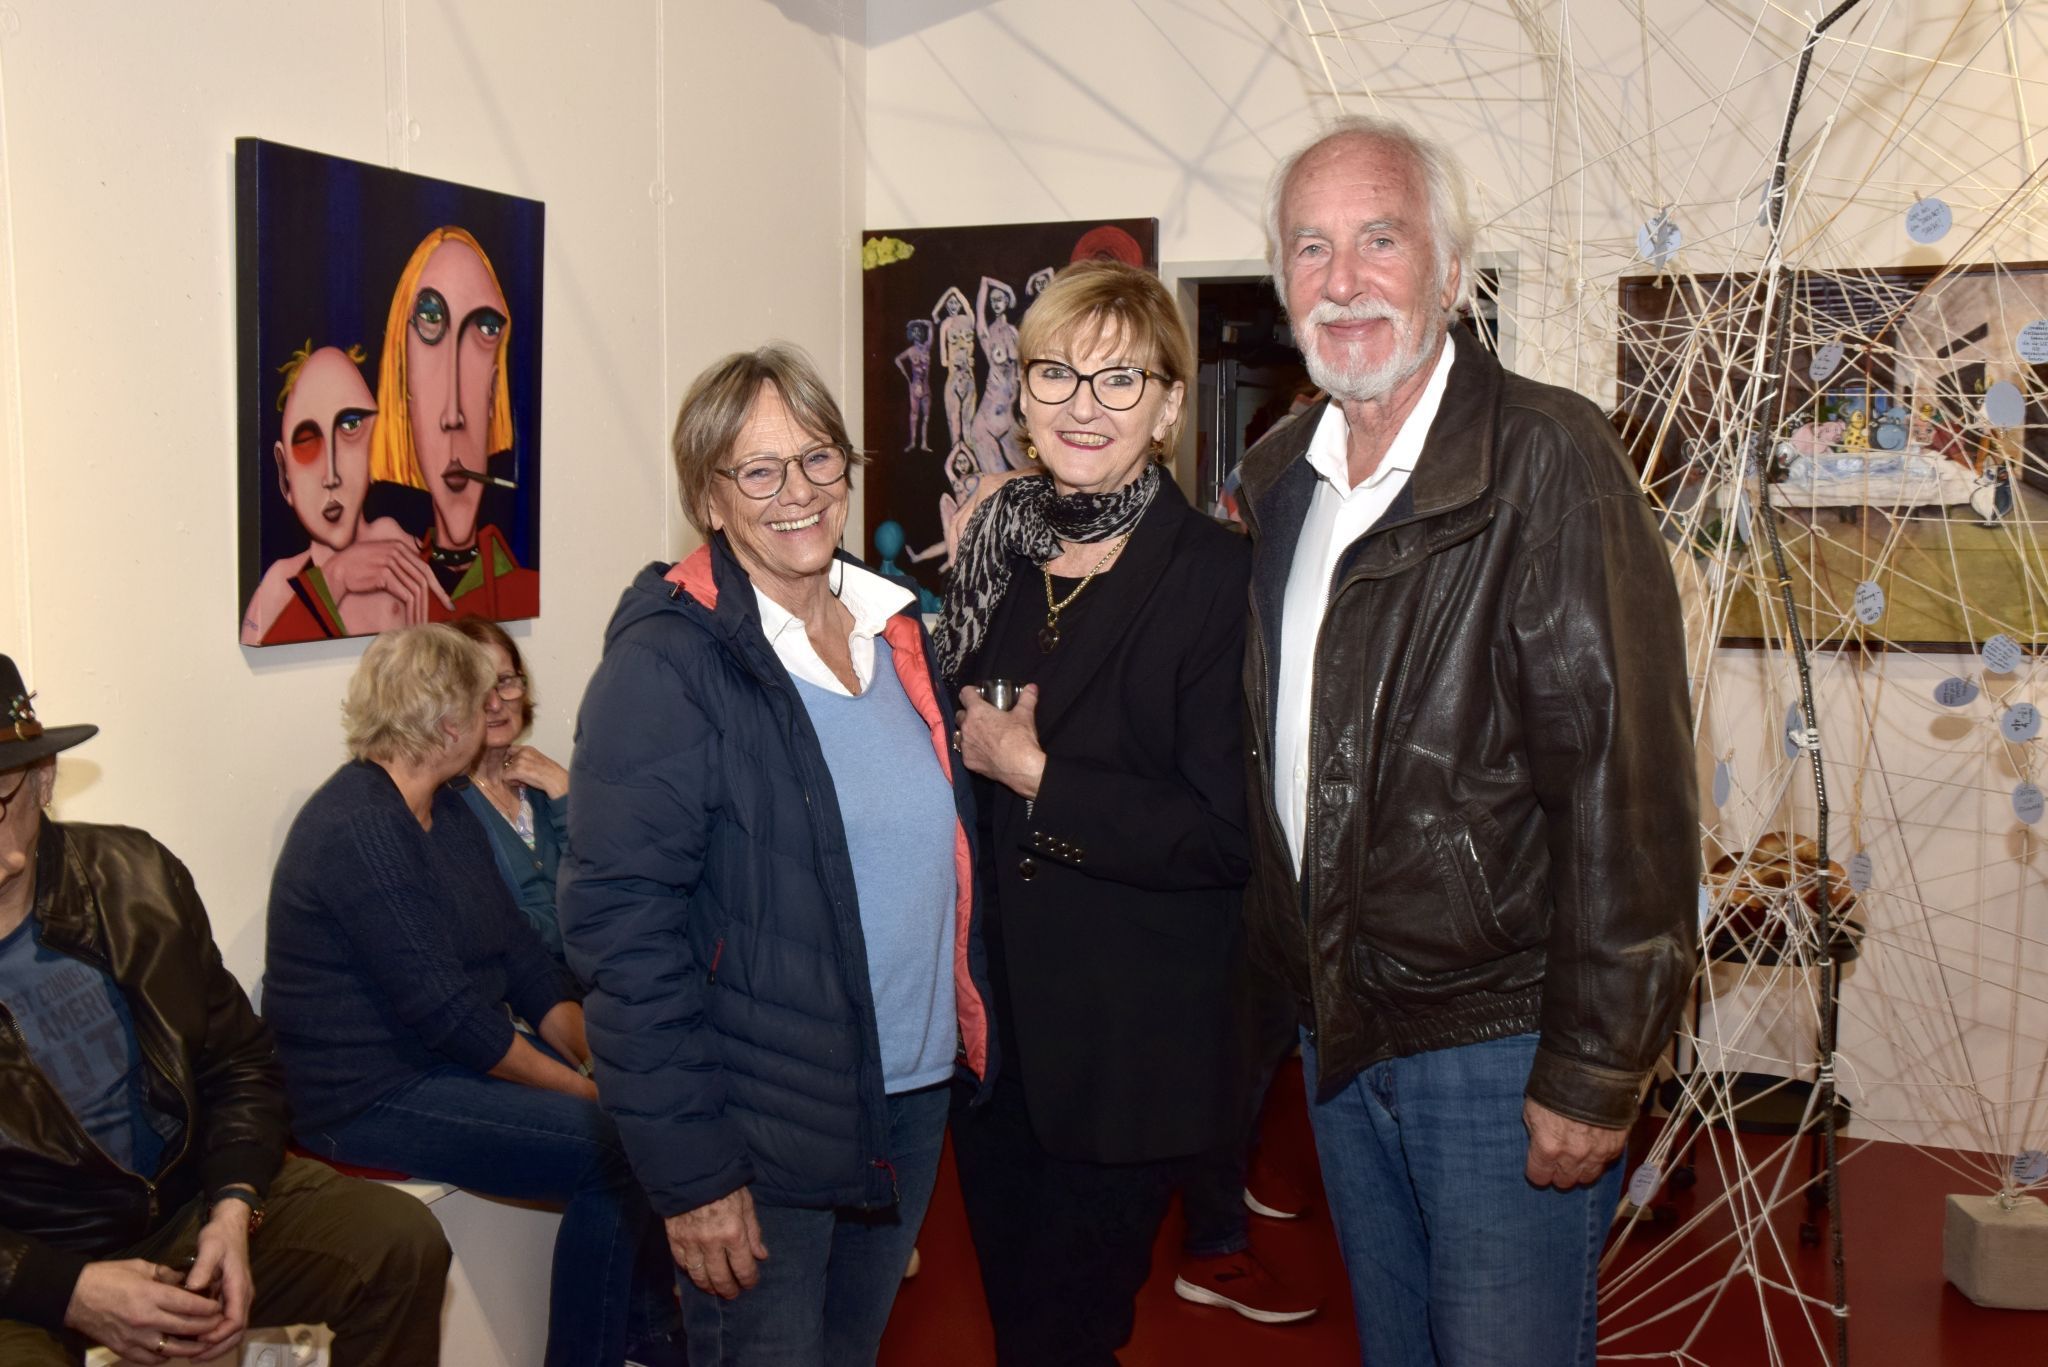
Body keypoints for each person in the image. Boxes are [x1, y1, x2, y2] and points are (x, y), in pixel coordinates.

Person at [1239, 115, 1698, 1366]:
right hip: (1340, 1035)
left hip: (1498, 1048)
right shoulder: (1280, 478)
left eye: (1379, 238)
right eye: (1310, 247)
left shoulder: (1552, 459)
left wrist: (1595, 1067)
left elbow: (1627, 784)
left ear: (1449, 268)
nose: (1342, 282)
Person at [559, 344, 990, 1367]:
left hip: (909, 1090)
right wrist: (692, 1173)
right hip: (756, 1122)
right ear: (709, 496)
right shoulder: (666, 665)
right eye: (758, 470)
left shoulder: (895, 630)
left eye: (817, 459)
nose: (796, 492)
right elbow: (623, 936)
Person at [934, 258, 1270, 1365]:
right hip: (992, 1041)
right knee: (1022, 1329)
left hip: (1128, 1048)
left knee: (1067, 1334)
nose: (1082, 405)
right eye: (1055, 373)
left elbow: (1225, 835)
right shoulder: (996, 553)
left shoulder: (1220, 579)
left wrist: (1039, 776)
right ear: (1020, 395)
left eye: (1119, 381)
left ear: (1170, 406)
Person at [0, 654, 450, 1366]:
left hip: (181, 1200)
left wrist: (234, 1208)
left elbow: (240, 1062)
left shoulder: (134, 876)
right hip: (25, 1257)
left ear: (45, 779)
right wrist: (68, 1288)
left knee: (400, 1242)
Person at [262, 625, 677, 1367]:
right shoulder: (359, 826)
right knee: (613, 1149)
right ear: (446, 724)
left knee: (636, 1121)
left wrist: (596, 1052)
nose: (493, 710)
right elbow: (453, 1019)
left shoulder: (443, 805)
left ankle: (645, 1341)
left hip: (432, 1068)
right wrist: (589, 1091)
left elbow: (520, 956)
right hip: (363, 1098)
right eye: (477, 699)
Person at [370, 226, 540, 621]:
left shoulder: (525, 589)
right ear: (403, 381)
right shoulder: (370, 593)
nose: (453, 417)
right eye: (430, 321)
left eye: (485, 329)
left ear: (496, 385)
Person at [241, 343, 452, 645]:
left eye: (351, 426)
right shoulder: (279, 586)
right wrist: (335, 578)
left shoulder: (418, 555)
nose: (331, 475)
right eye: (306, 441)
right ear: (283, 472)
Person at [446, 615, 574, 963]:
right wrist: (578, 924)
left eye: (505, 682)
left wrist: (565, 792)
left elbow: (607, 884)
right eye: (475, 687)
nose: (494, 703)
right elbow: (498, 930)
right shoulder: (446, 803)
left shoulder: (544, 780)